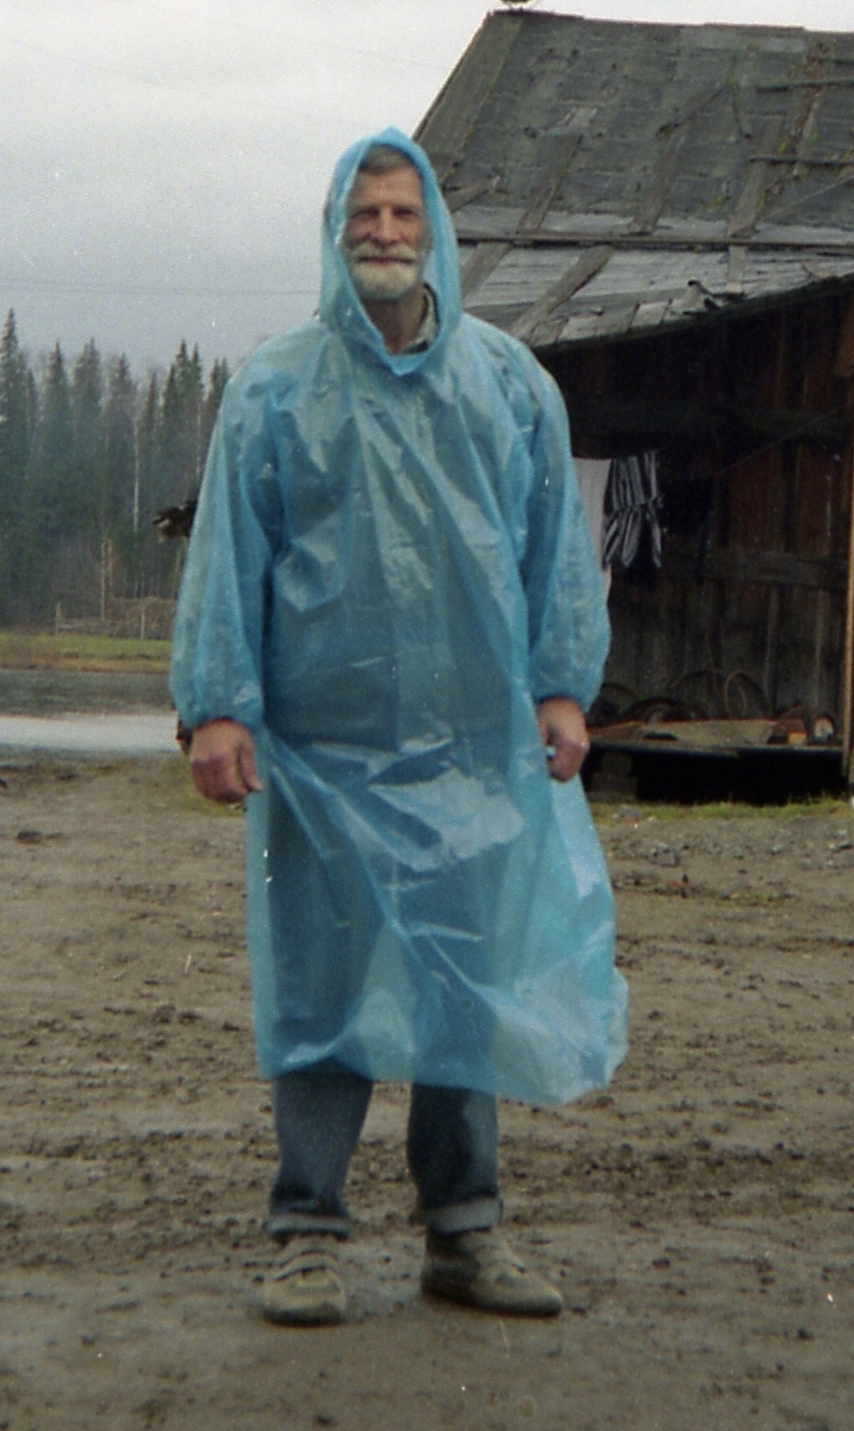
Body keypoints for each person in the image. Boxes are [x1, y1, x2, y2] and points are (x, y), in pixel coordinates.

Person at [170, 128, 627, 1326]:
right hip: (321, 751)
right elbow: (229, 555)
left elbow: (553, 559)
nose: (382, 233)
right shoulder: (275, 387)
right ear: (336, 233)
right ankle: (307, 1232)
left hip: (475, 748)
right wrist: (218, 705)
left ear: (435, 233)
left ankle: (462, 1232)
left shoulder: (508, 384)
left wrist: (562, 685)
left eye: (401, 215)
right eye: (363, 215)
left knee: (459, 987)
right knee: (321, 988)